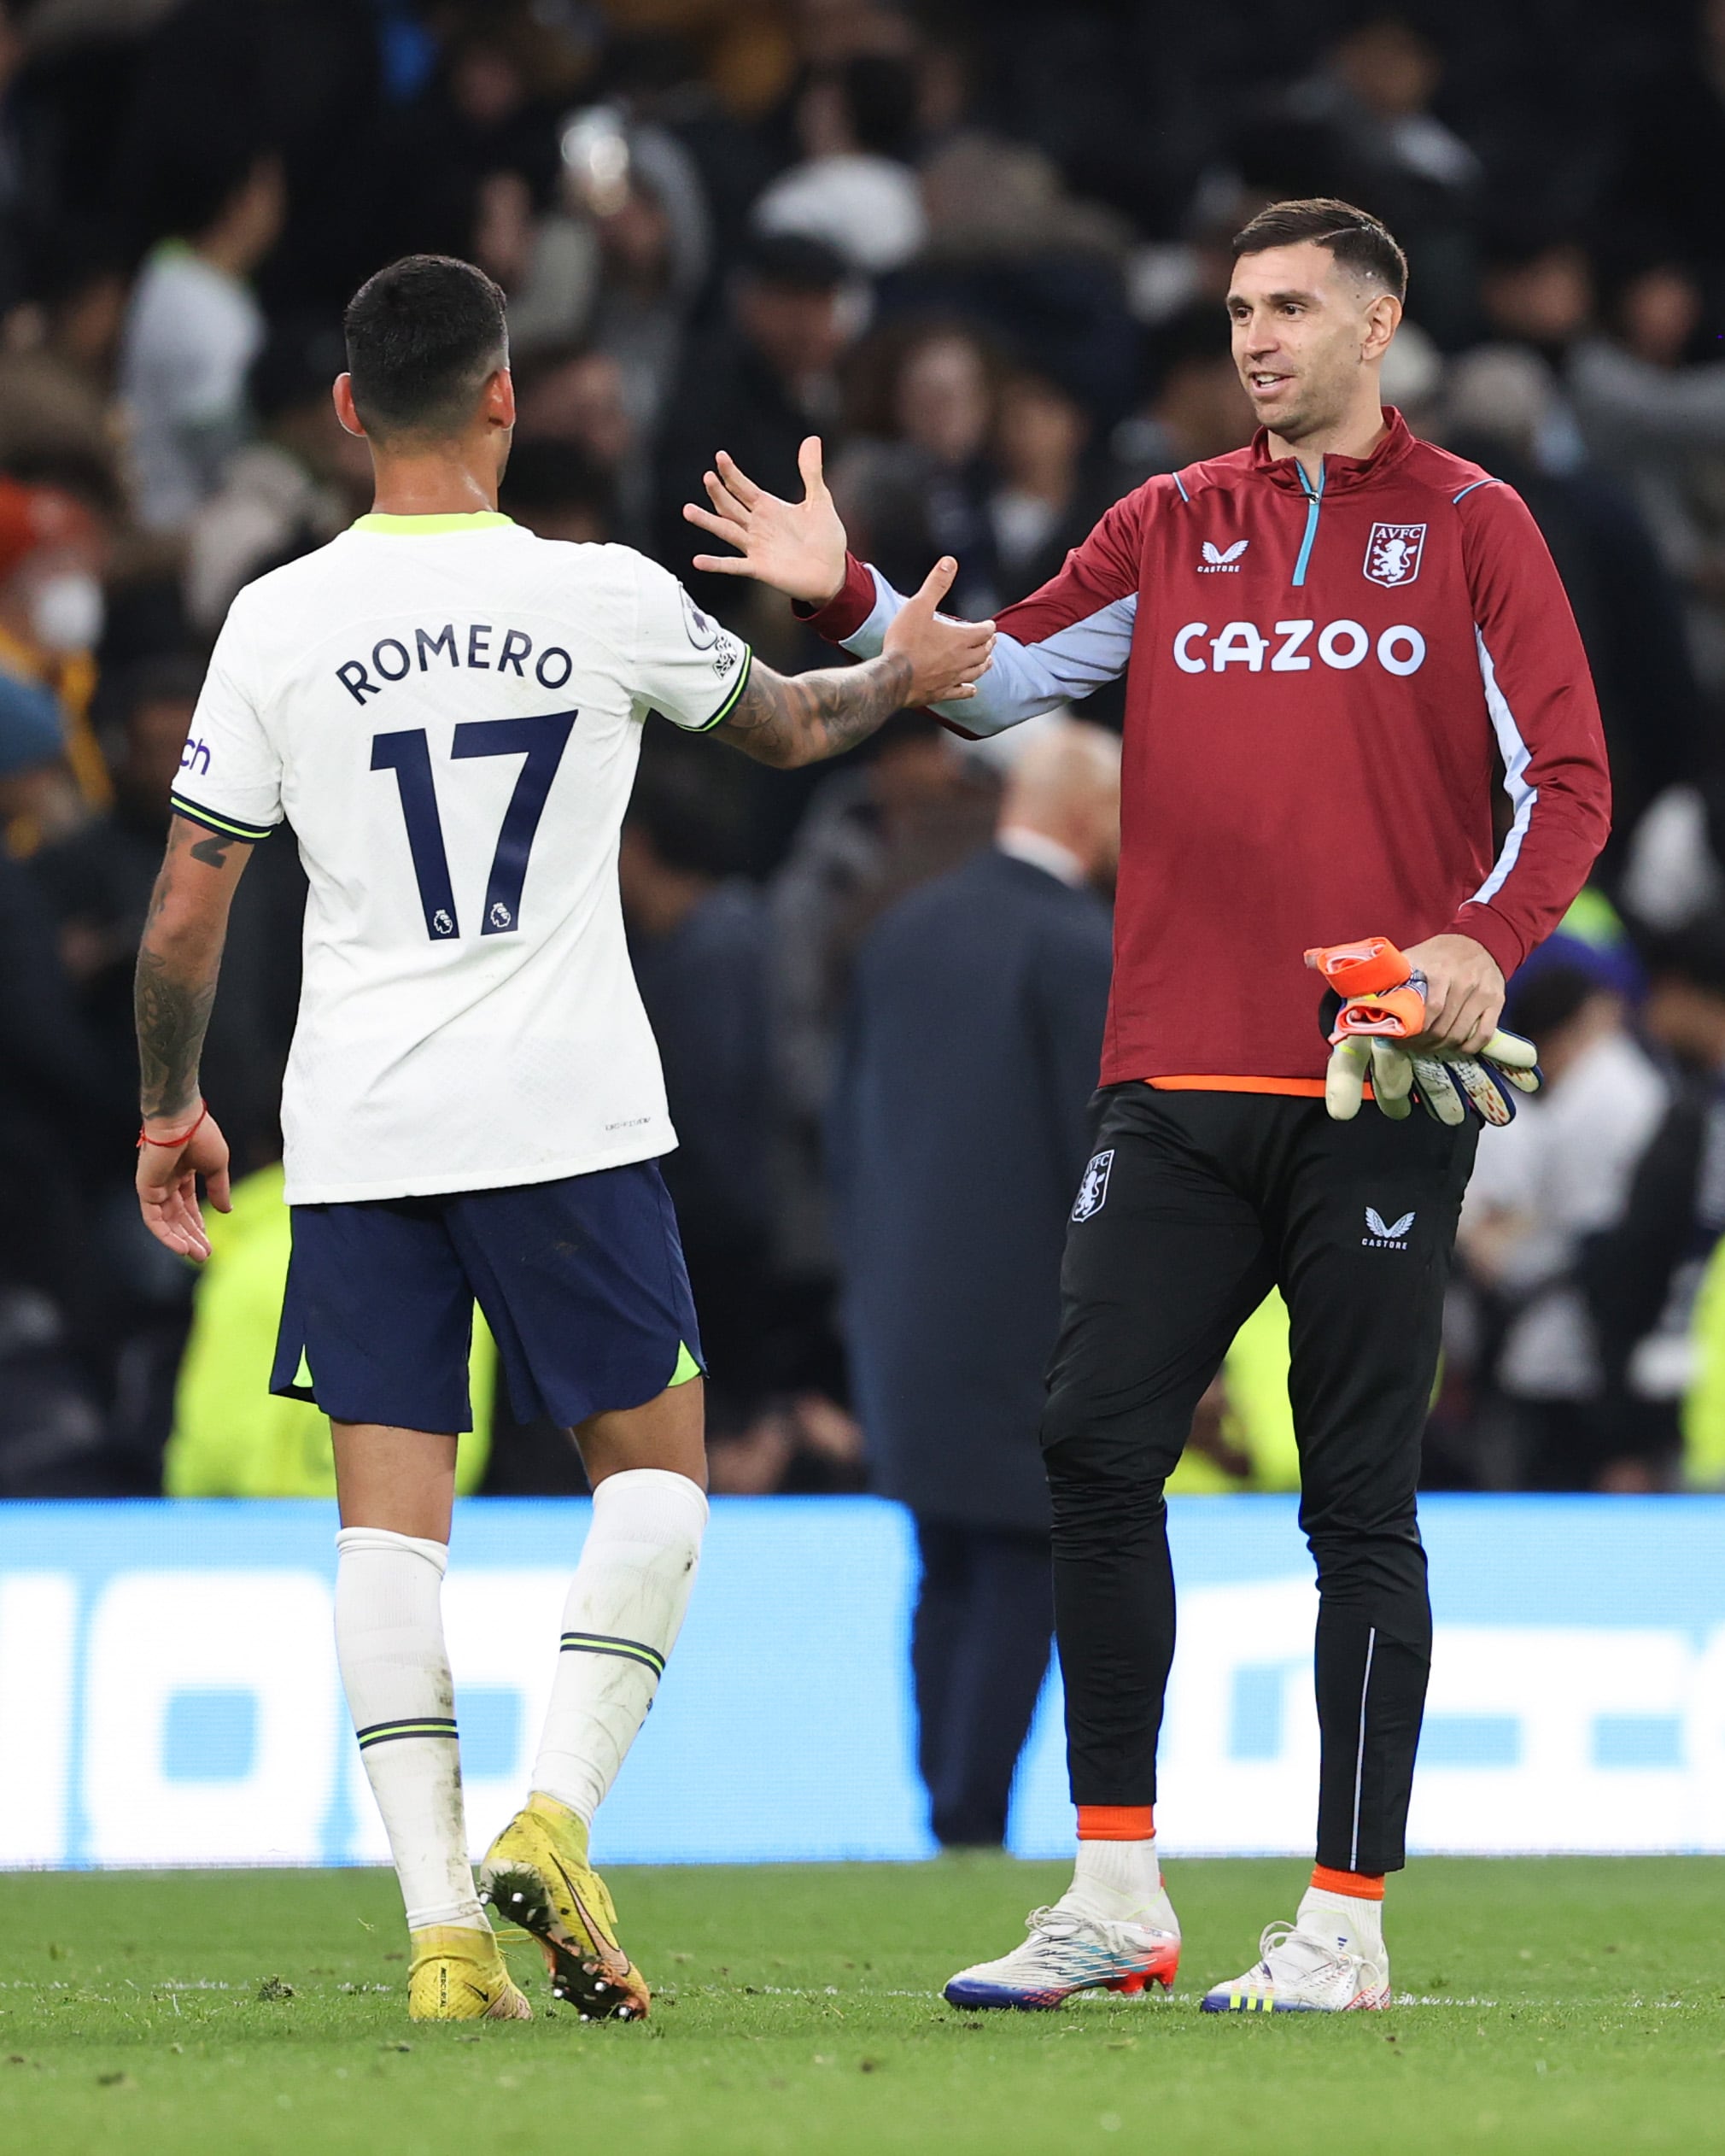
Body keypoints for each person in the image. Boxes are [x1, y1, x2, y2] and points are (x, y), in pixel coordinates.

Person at [682, 196, 1611, 2012]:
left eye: (1287, 306)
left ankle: (1339, 1924)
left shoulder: (1476, 531)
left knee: (1354, 1497)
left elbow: (1563, 781)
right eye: (1236, 308)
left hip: (1376, 1079)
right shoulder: (1168, 523)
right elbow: (1004, 678)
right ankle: (1116, 1890)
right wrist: (860, 597)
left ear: (1376, 318)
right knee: (1092, 1446)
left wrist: (1481, 937)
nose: (1253, 336)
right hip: (1175, 1073)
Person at [130, 252, 992, 2025]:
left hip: (360, 1130)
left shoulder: (276, 620)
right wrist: (895, 665)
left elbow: (180, 917)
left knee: (391, 1534)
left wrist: (169, 1105)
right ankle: (558, 1808)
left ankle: (444, 1934)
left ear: (349, 409)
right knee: (658, 1480)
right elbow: (783, 726)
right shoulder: (597, 596)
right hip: (563, 1110)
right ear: (505, 397)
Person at [831, 719, 1119, 1849]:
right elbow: (1097, 1153)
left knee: (944, 1555)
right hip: (1029, 1315)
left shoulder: (902, 931)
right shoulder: (1075, 946)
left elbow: (845, 1129)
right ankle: (970, 1815)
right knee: (1023, 1554)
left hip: (901, 1303)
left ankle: (947, 1810)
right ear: (1090, 818)